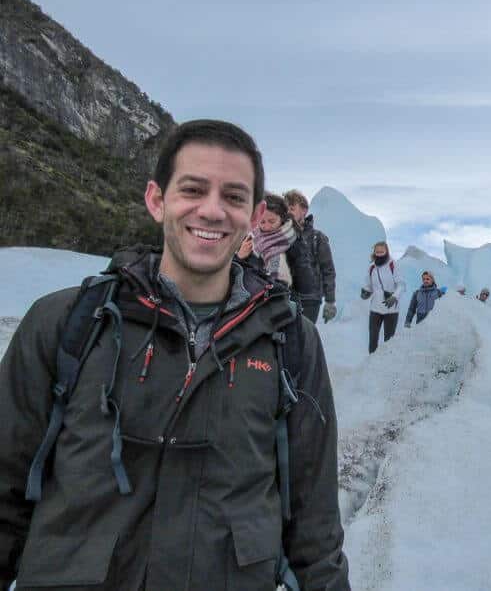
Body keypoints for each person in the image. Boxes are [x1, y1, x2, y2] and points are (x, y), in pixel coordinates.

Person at [0, 120, 349, 591]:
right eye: (193, 189)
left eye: (233, 196)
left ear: (251, 217)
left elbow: (315, 525)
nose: (212, 210)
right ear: (156, 200)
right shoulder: (68, 322)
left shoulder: (291, 342)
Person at [283, 190, 336, 324]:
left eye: (292, 208)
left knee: (304, 339)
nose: (288, 212)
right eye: (285, 209)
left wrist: (330, 301)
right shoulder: (280, 236)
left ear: (304, 210)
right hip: (284, 297)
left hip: (309, 300)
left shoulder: (317, 238)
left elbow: (328, 269)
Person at [236, 192, 295, 287]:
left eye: (272, 221)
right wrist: (239, 257)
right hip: (251, 295)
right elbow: (229, 275)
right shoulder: (248, 239)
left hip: (280, 296)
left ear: (282, 219)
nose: (267, 227)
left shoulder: (295, 244)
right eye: (262, 222)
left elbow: (303, 282)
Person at [361, 241, 404, 354]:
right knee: (373, 339)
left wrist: (394, 297)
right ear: (374, 252)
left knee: (389, 341)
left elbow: (401, 285)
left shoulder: (392, 265)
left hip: (391, 309)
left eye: (382, 251)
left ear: (386, 252)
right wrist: (366, 292)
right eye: (377, 252)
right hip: (375, 309)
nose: (379, 254)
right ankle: (371, 364)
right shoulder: (372, 268)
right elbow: (369, 285)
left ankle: (387, 366)